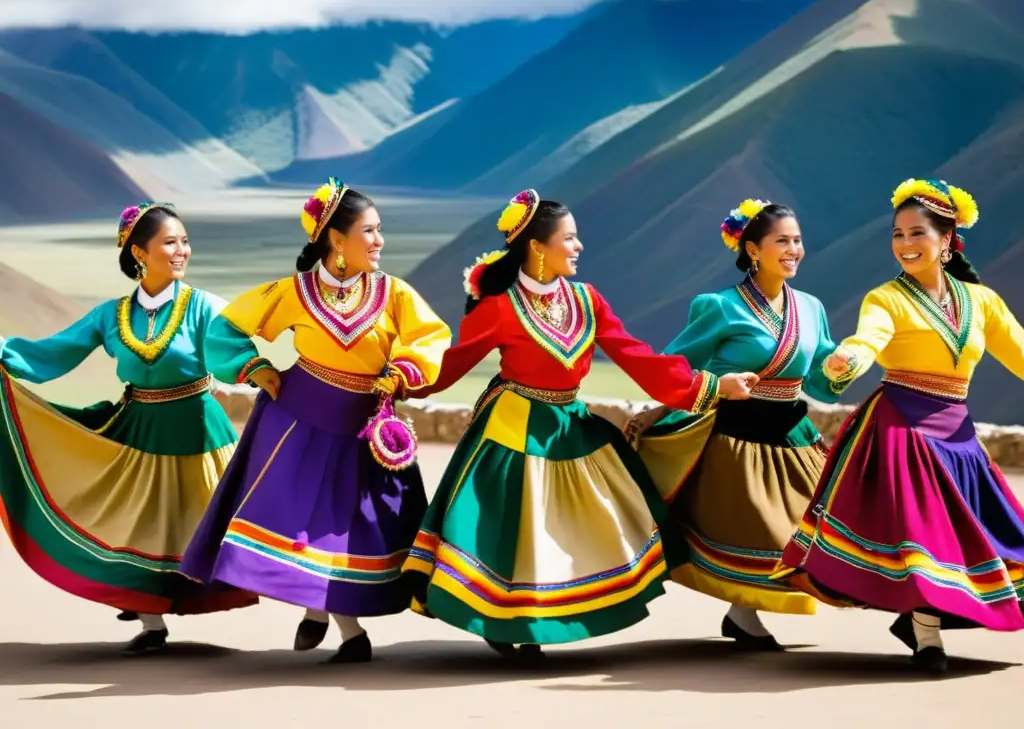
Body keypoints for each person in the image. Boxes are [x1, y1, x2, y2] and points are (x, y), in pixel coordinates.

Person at [399, 189, 760, 660]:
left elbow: (638, 357)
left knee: (571, 530)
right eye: (569, 238)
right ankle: (510, 622)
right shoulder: (500, 306)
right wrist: (400, 380)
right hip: (513, 427)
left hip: (570, 424)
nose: (578, 246)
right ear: (537, 246)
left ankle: (549, 617)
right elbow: (451, 365)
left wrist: (710, 386)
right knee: (517, 532)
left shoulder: (587, 300)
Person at [179, 179, 451, 664]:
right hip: (297, 422)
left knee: (355, 529)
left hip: (364, 429)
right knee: (299, 523)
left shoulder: (395, 294)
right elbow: (225, 329)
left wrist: (403, 369)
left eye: (380, 230)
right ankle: (349, 632)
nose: (379, 241)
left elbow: (428, 337)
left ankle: (322, 613)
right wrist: (254, 366)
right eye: (369, 231)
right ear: (336, 240)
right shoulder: (293, 293)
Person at [771, 178, 1024, 675]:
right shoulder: (886, 298)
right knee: (924, 539)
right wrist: (848, 359)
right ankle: (928, 637)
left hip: (957, 437)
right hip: (902, 431)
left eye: (917, 234)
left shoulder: (982, 302)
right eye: (898, 234)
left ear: (946, 241)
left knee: (986, 537)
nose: (905, 244)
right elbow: (869, 340)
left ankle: (921, 624)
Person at [0, 202, 258, 655]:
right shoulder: (111, 315)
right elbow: (52, 354)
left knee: (219, 526)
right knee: (138, 524)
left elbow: (231, 350)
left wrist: (257, 371)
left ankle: (317, 606)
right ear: (139, 252)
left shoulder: (204, 307)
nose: (182, 251)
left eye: (184, 241)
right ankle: (150, 618)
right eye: (169, 243)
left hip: (200, 431)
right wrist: (5, 354)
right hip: (139, 431)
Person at [624, 199, 843, 650]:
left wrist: (840, 367)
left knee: (812, 526)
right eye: (782, 241)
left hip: (790, 432)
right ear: (753, 249)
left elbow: (820, 381)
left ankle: (743, 615)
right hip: (733, 436)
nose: (794, 249)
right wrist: (716, 384)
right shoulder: (720, 307)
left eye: (797, 240)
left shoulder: (811, 308)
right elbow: (673, 367)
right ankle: (745, 615)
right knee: (761, 528)